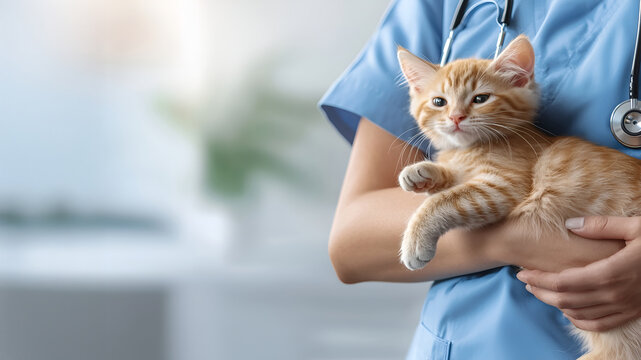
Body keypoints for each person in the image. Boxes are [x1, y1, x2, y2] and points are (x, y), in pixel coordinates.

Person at [318, 0, 641, 359]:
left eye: (479, 100)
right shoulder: (431, 8)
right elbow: (350, 243)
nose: (456, 116)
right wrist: (517, 238)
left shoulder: (518, 145)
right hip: (470, 342)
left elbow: (500, 186)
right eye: (441, 103)